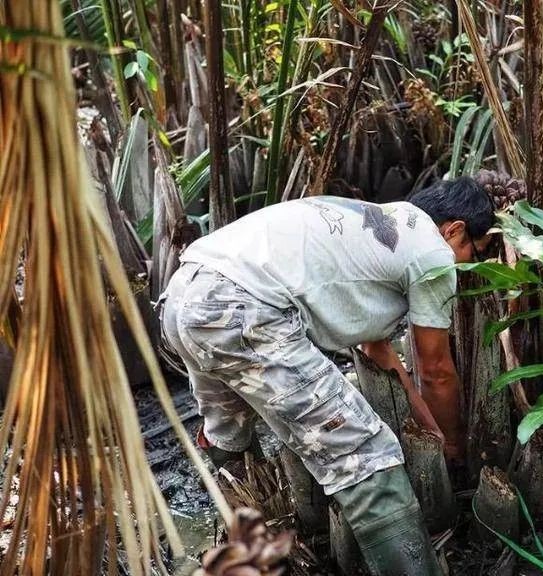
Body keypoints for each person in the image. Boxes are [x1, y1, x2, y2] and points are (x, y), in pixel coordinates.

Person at [158, 176, 497, 575]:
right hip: (241, 309)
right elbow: (436, 370)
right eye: (474, 251)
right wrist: (454, 449)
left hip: (184, 296)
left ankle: (231, 532)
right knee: (365, 453)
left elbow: (379, 353)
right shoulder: (432, 251)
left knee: (229, 428)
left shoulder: (379, 226)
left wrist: (428, 429)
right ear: (453, 229)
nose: (468, 264)